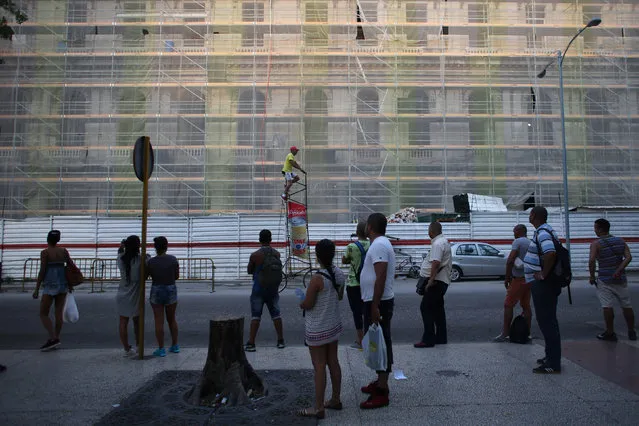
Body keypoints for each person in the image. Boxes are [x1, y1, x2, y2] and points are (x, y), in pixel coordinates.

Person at [298, 239, 344, 420]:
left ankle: (318, 408)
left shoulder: (317, 278)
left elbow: (308, 304)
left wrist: (301, 301)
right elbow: (340, 297)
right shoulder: (339, 273)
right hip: (333, 326)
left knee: (319, 366)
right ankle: (335, 399)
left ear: (317, 256)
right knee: (333, 361)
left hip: (317, 329)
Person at [359, 213, 396, 409]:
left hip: (378, 302)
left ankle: (382, 390)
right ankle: (380, 381)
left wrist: (375, 305)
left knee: (381, 344)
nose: (364, 227)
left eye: (367, 224)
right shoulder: (379, 243)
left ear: (371, 227)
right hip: (375, 300)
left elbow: (380, 275)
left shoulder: (380, 244)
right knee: (377, 342)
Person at [523, 206, 562, 374]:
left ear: (534, 216)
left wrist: (543, 274)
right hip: (544, 285)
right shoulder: (544, 231)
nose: (529, 216)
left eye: (530, 214)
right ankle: (550, 356)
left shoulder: (543, 232)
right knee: (547, 321)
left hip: (544, 285)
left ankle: (553, 363)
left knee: (547, 322)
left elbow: (550, 253)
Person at [588, 218, 636, 341]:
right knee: (626, 305)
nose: (594, 230)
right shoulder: (620, 241)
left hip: (604, 279)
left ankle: (610, 332)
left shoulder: (596, 244)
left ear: (600, 229)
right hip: (620, 278)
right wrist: (619, 269)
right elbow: (628, 257)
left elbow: (592, 260)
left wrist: (592, 275)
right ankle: (631, 331)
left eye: (595, 228)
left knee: (607, 306)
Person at [32, 230, 75, 351]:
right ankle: (56, 337)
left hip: (50, 285)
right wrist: (70, 283)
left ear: (47, 239)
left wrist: (36, 288)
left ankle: (52, 338)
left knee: (43, 313)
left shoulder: (45, 253)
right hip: (63, 285)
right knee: (58, 313)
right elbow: (70, 266)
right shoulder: (63, 251)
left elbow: (42, 270)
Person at [245, 229, 285, 352]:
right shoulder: (277, 254)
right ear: (270, 239)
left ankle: (251, 343)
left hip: (258, 289)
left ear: (259, 239)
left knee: (255, 316)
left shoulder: (255, 255)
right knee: (276, 315)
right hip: (273, 290)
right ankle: (280, 341)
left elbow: (249, 270)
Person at [415, 221, 452, 348]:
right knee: (438, 310)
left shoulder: (437, 244)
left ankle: (428, 339)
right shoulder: (444, 242)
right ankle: (441, 337)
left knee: (425, 308)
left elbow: (435, 263)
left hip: (436, 282)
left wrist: (430, 281)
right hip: (442, 281)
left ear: (431, 231)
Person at [494, 224, 532, 342]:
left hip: (518, 278)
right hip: (529, 278)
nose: (513, 234)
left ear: (519, 231)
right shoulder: (530, 242)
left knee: (508, 304)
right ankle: (527, 333)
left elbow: (510, 260)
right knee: (526, 306)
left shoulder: (518, 242)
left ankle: (505, 333)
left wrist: (507, 277)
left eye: (514, 231)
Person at [147, 236, 180, 357]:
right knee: (171, 319)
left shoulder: (151, 262)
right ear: (166, 246)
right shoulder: (173, 259)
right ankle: (175, 345)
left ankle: (161, 349)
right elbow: (176, 276)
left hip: (156, 290)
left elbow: (146, 276)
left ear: (155, 247)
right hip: (171, 289)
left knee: (158, 321)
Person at [116, 235, 147, 357]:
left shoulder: (120, 258)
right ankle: (139, 345)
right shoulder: (141, 259)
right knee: (137, 321)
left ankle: (126, 348)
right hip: (136, 293)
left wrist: (122, 246)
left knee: (123, 321)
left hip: (122, 293)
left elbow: (119, 252)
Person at [342, 221, 369, 349]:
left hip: (354, 283)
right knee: (367, 311)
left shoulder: (351, 247)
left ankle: (360, 340)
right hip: (368, 283)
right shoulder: (372, 244)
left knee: (357, 313)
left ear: (357, 232)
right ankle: (371, 338)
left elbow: (344, 260)